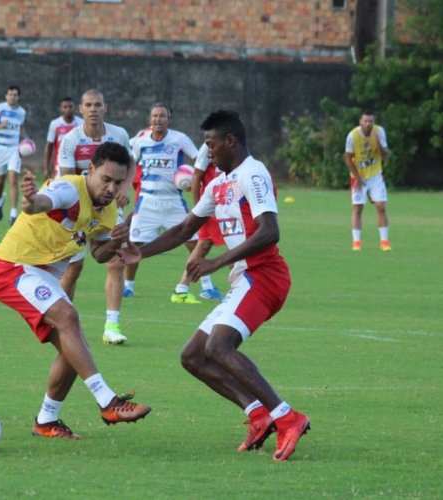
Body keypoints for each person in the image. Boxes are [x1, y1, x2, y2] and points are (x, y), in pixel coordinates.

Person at [117, 110, 310, 462]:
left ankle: (287, 416)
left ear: (230, 142)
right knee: (192, 356)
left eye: (210, 144)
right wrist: (138, 254)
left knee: (220, 346)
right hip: (244, 279)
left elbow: (270, 231)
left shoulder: (253, 173)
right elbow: (183, 229)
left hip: (265, 276)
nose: (206, 153)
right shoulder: (218, 184)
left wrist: (215, 262)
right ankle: (258, 414)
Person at [0, 142, 152, 440]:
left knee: (75, 349)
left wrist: (116, 241)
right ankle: (108, 402)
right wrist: (29, 198)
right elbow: (39, 204)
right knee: (68, 317)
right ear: (90, 170)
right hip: (13, 267)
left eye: (118, 181)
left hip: (44, 275)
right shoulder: (69, 189)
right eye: (106, 179)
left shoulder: (109, 209)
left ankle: (46, 420)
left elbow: (99, 254)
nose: (112, 188)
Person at [56, 89, 133, 344]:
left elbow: (130, 163)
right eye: (88, 104)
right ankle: (61, 322)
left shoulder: (119, 134)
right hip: (78, 209)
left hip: (109, 206)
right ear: (80, 109)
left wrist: (123, 187)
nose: (93, 109)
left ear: (105, 108)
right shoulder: (71, 140)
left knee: (115, 261)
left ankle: (112, 325)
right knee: (73, 267)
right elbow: (67, 178)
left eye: (97, 104)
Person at [123, 103, 203, 303]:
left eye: (162, 116)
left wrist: (190, 179)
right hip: (148, 201)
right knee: (135, 244)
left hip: (174, 201)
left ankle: (206, 286)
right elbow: (131, 165)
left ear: (169, 120)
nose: (158, 119)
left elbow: (199, 159)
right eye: (154, 116)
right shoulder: (140, 141)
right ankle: (128, 287)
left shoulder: (179, 139)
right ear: (150, 120)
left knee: (197, 245)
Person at [344, 109, 391, 251]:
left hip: (375, 175)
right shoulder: (352, 136)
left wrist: (378, 143)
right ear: (360, 122)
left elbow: (385, 155)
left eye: (370, 121)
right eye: (365, 121)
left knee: (381, 207)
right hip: (358, 176)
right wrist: (357, 178)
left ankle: (384, 242)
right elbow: (348, 158)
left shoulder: (379, 132)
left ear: (373, 121)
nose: (368, 124)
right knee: (358, 208)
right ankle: (356, 242)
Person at [186, 142, 225, 301]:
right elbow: (196, 176)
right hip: (212, 204)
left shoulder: (233, 142)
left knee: (203, 244)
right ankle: (240, 287)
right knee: (234, 243)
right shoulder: (208, 145)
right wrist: (198, 209)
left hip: (223, 203)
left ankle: (182, 288)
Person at [0, 85, 28, 225]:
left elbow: (21, 128)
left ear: (18, 97)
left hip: (14, 150)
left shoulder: (22, 112)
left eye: (15, 95)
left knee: (14, 179)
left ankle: (13, 215)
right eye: (10, 94)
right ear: (6, 96)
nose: (12, 97)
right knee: (0, 181)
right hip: (0, 149)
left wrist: (26, 140)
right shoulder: (0, 108)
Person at [44, 96, 83, 180]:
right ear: (61, 109)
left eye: (70, 107)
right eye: (65, 107)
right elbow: (49, 146)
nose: (68, 109)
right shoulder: (55, 124)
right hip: (60, 163)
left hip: (78, 162)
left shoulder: (81, 123)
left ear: (74, 108)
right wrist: (46, 167)